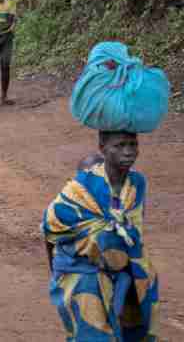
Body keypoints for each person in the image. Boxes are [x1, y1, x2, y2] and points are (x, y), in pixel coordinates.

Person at [42, 131, 158, 341]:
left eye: (133, 144)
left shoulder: (137, 184)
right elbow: (50, 229)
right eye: (120, 145)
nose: (129, 152)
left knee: (134, 330)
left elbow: (134, 231)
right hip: (85, 276)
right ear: (103, 148)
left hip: (128, 271)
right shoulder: (78, 191)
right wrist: (57, 275)